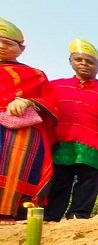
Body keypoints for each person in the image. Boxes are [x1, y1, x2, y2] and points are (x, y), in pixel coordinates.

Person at [45, 39, 98, 221]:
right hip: (61, 141)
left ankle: (79, 214)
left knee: (89, 181)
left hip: (96, 144)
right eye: (79, 60)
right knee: (59, 180)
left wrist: (97, 130)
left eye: (90, 62)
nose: (84, 64)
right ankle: (51, 215)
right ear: (70, 61)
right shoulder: (55, 86)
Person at [0, 17, 58, 225]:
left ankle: (7, 211)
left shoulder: (34, 74)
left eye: (8, 43)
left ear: (21, 49)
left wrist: (27, 101)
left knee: (15, 165)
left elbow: (51, 101)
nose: (1, 46)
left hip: (18, 127)